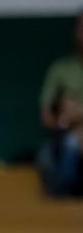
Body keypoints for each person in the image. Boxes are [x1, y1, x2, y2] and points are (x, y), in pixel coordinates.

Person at [37, 11, 83, 197]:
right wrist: (66, 124)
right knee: (53, 155)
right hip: (66, 134)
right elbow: (47, 116)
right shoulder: (61, 68)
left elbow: (70, 109)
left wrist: (78, 112)